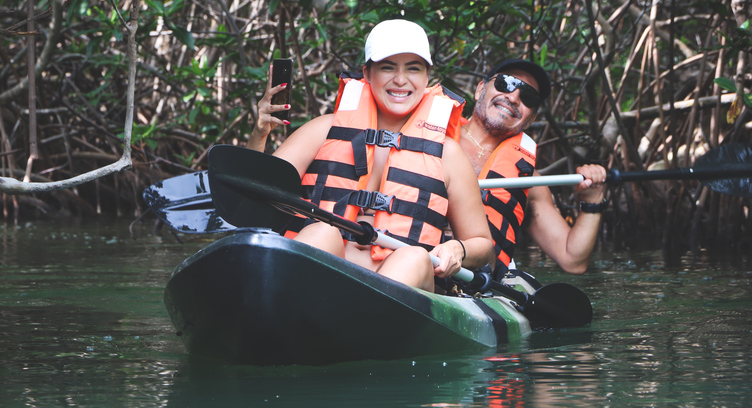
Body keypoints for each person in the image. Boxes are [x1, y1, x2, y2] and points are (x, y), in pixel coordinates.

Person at [248, 19, 493, 292]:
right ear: (367, 72)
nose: (400, 80)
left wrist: (457, 249)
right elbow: (254, 197)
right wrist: (260, 134)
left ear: (427, 77)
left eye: (413, 69)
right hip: (322, 278)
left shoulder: (448, 154)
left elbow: (482, 243)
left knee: (414, 256)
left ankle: (367, 321)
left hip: (401, 287)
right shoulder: (323, 130)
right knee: (320, 231)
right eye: (388, 67)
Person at [459, 59, 607, 280]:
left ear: (531, 119)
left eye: (528, 97)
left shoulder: (528, 182)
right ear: (481, 89)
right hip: (413, 263)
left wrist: (593, 200)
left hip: (473, 284)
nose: (514, 97)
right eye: (505, 83)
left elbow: (572, 260)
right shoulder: (428, 139)